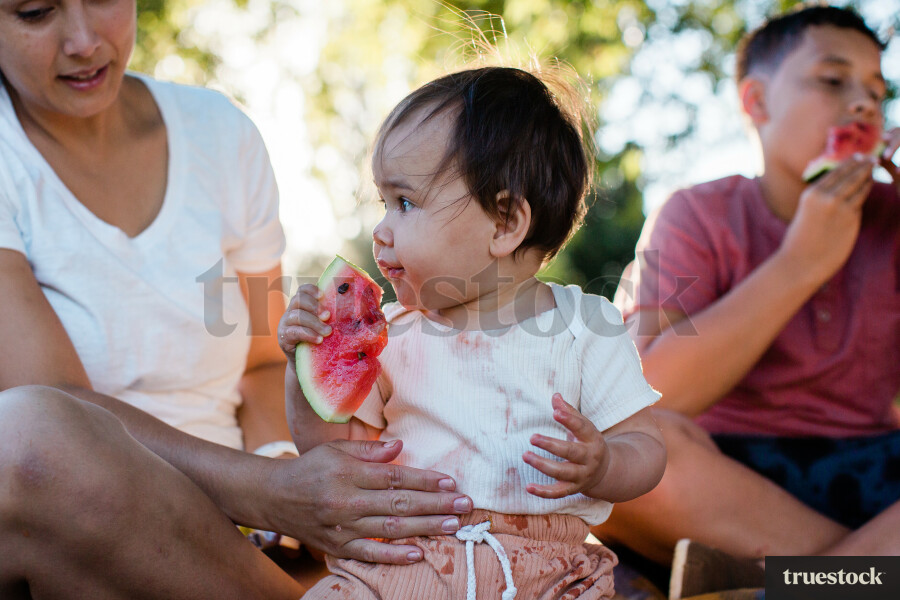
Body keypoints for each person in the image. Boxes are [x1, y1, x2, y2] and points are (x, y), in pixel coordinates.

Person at [0, 1, 475, 597]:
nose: (83, 40)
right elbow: (53, 408)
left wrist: (285, 470)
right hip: (88, 516)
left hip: (253, 527)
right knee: (26, 437)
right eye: (35, 12)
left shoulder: (218, 134)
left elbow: (262, 360)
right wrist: (273, 492)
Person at [278, 66, 667, 599]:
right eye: (383, 203)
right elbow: (334, 453)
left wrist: (604, 463)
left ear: (505, 222)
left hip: (552, 573)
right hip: (404, 561)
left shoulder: (586, 327)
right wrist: (305, 369)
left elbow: (646, 446)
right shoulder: (392, 337)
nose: (381, 230)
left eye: (405, 202)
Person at [590, 3, 900, 575]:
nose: (863, 104)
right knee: (610, 444)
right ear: (756, 102)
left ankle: (790, 581)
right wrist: (800, 264)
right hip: (724, 481)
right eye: (833, 80)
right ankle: (866, 576)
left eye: (878, 94)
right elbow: (646, 396)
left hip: (879, 475)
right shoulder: (696, 213)